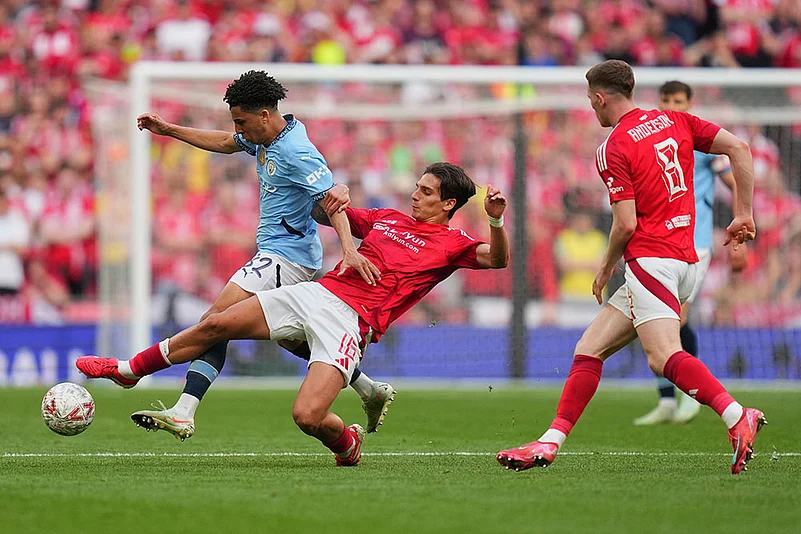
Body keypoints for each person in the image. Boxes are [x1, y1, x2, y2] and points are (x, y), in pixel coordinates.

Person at [77, 162, 509, 466]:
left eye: (427, 191)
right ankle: (130, 369)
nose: (415, 194)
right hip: (317, 293)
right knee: (216, 323)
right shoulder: (386, 218)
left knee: (307, 416)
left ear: (449, 204)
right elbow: (324, 212)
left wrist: (495, 222)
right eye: (417, 186)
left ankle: (347, 443)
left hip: (349, 324)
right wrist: (332, 197)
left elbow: (498, 261)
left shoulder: (453, 245)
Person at [496, 60, 764, 475]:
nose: (592, 110)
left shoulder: (614, 146)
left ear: (601, 98)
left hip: (653, 261)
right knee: (590, 348)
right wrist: (744, 213)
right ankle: (549, 443)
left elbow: (626, 223)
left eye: (591, 102)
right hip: (687, 258)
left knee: (662, 357)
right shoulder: (676, 119)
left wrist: (604, 268)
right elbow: (741, 150)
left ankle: (735, 415)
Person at [111, 70, 395, 441]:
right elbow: (227, 142)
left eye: (242, 121)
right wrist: (170, 130)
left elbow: (334, 201)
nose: (239, 130)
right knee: (293, 338)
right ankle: (369, 389)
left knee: (215, 320)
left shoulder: (296, 150)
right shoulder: (264, 137)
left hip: (287, 257)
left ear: (264, 115)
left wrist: (349, 249)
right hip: (278, 252)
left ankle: (180, 407)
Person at [634, 80, 748, 426]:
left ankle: (690, 397)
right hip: (657, 243)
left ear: (689, 103)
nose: (672, 105)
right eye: (666, 99)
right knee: (653, 323)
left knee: (675, 320)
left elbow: (735, 186)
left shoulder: (702, 145)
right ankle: (667, 400)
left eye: (678, 100)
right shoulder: (650, 141)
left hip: (694, 244)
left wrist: (739, 238)